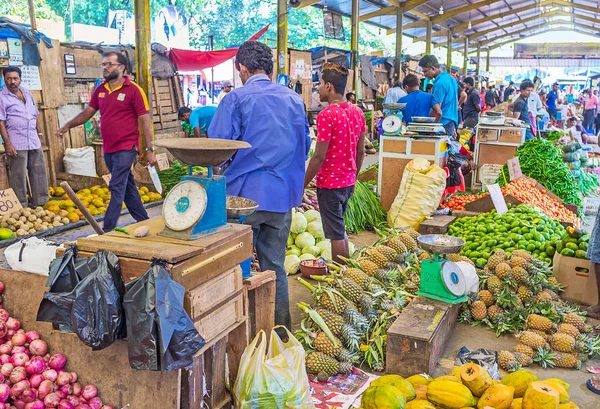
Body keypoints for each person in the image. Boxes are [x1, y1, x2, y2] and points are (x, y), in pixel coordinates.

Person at [207, 41, 310, 330]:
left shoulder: (235, 99)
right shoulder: (293, 100)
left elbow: (217, 148)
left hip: (242, 200)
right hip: (281, 198)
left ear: (241, 67)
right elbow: (304, 147)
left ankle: (237, 330)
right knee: (274, 266)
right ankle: (279, 330)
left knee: (234, 266)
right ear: (270, 67)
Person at [56, 51, 157, 232]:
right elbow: (88, 113)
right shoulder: (101, 90)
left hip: (127, 148)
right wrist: (67, 126)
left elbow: (145, 121)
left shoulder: (134, 90)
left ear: (121, 67)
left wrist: (149, 149)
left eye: (109, 64)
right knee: (128, 187)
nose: (105, 68)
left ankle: (106, 231)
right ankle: (144, 220)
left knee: (116, 186)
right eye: (103, 65)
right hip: (109, 149)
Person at [303, 62, 365, 263]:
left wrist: (302, 184)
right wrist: (354, 177)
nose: (318, 89)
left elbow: (319, 156)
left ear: (328, 86)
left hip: (330, 184)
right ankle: (345, 270)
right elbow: (361, 150)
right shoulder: (357, 112)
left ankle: (339, 277)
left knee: (335, 233)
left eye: (319, 84)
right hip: (347, 182)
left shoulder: (326, 115)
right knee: (339, 228)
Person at [0, 66, 48, 208]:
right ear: (4, 79)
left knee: (39, 172)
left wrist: (39, 134)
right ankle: (22, 206)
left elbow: (34, 115)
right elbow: (1, 122)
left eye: (15, 78)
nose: (12, 82)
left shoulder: (27, 93)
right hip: (16, 142)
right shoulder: (2, 97)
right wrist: (7, 144)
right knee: (18, 176)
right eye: (8, 78)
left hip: (33, 140)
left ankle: (41, 203)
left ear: (20, 79)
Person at [419, 55, 459, 136]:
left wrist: (430, 128)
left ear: (433, 68)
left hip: (442, 123)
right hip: (451, 122)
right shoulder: (452, 79)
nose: (424, 75)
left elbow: (437, 110)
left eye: (425, 71)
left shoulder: (439, 83)